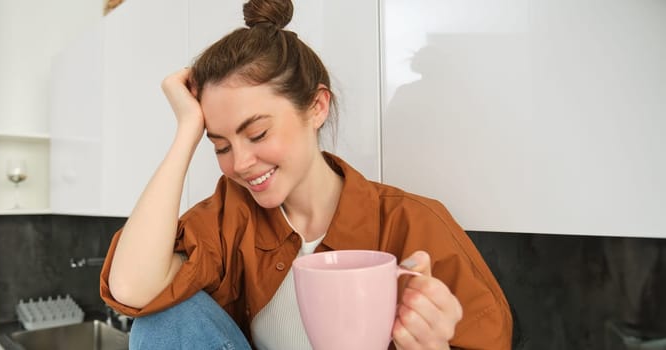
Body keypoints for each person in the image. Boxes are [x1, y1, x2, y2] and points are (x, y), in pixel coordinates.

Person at [100, 0, 513, 348]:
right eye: (221, 145)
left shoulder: (414, 223)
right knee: (163, 316)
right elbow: (134, 288)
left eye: (257, 133)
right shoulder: (231, 216)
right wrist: (187, 131)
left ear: (316, 107)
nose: (239, 163)